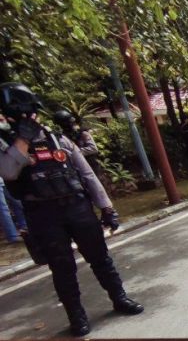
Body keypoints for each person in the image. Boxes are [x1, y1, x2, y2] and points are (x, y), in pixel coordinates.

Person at [0, 82, 143, 336]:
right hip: (43, 215)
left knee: (101, 258)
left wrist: (107, 208)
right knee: (62, 268)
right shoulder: (7, 145)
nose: (28, 119)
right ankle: (77, 317)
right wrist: (22, 139)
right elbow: (8, 172)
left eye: (29, 114)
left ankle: (120, 299)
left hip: (77, 207)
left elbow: (88, 175)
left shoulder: (59, 139)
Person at [52, 110, 101, 175]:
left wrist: (76, 153)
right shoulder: (63, 137)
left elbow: (93, 149)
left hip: (91, 166)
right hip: (77, 169)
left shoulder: (83, 133)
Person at [0, 176, 27, 243]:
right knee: (5, 209)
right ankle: (14, 235)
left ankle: (21, 230)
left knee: (16, 203)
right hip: (6, 177)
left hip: (6, 178)